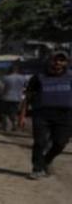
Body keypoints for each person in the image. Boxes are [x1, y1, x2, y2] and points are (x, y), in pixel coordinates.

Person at [20, 51, 72, 179]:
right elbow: (27, 97)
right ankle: (37, 169)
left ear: (66, 63)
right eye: (55, 60)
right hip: (41, 114)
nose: (58, 63)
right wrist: (22, 115)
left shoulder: (71, 77)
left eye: (61, 60)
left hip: (64, 115)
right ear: (50, 61)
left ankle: (46, 160)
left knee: (60, 143)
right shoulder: (38, 77)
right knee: (40, 142)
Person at [0, 63, 28, 133]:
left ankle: (4, 126)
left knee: (4, 113)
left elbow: (1, 89)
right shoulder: (23, 78)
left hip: (6, 97)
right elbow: (27, 87)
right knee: (13, 112)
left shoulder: (6, 78)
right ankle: (14, 125)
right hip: (17, 98)